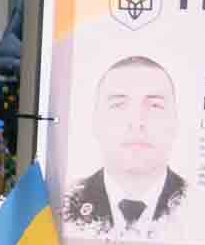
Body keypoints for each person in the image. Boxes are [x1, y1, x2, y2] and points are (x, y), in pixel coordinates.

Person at [65, 55, 187, 235]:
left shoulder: (200, 209)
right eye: (119, 105)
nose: (137, 121)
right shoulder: (64, 205)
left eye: (154, 105)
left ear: (175, 122)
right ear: (95, 122)